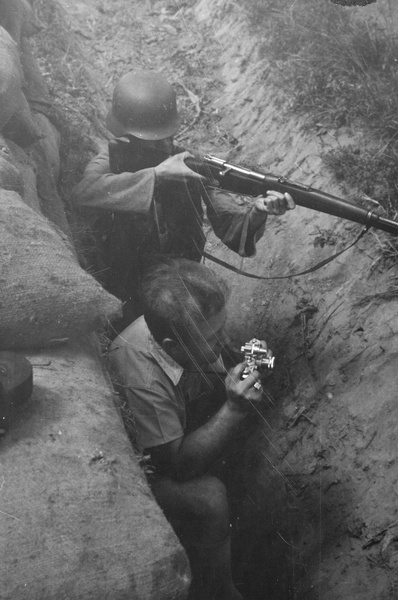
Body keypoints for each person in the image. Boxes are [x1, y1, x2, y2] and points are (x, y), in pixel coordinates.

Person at [73, 69, 295, 326]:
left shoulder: (189, 163)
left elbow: (233, 231)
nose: (162, 146)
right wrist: (156, 176)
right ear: (127, 136)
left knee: (202, 312)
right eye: (150, 140)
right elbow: (83, 192)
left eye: (165, 137)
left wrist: (258, 213)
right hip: (125, 287)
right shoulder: (111, 161)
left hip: (179, 278)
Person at [109, 258, 270, 600]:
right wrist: (233, 408)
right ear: (172, 348)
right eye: (214, 337)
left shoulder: (184, 329)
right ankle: (218, 590)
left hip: (179, 416)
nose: (225, 339)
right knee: (209, 498)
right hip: (148, 468)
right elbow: (176, 465)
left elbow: (222, 345)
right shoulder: (143, 379)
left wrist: (251, 357)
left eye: (222, 327)